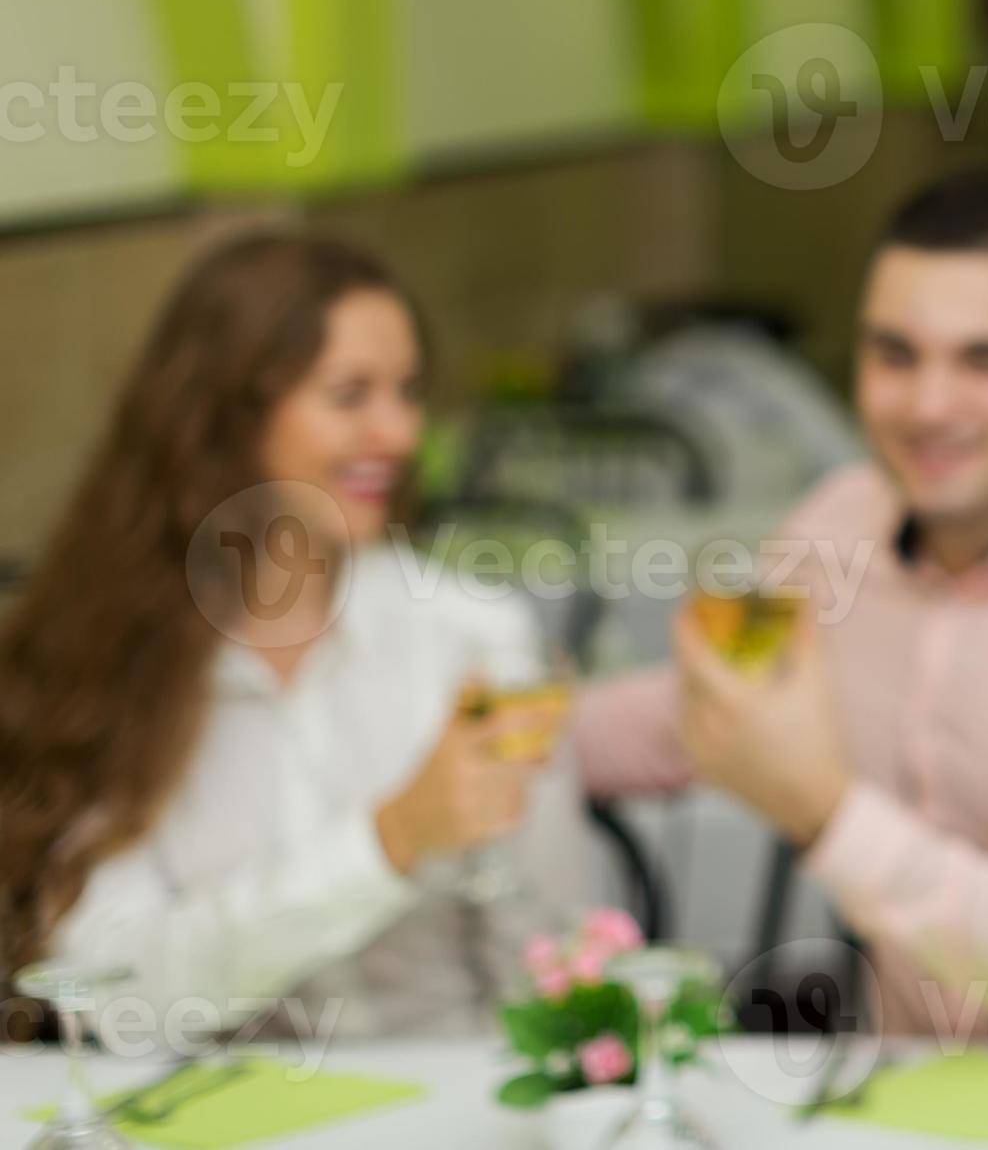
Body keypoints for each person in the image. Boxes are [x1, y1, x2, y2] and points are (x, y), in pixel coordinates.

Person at [574, 168, 988, 1043]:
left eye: (984, 360)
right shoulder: (837, 529)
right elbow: (700, 715)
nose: (928, 405)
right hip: (915, 1105)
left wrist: (828, 814)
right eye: (894, 354)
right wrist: (489, 728)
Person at [0, 233, 584, 1042]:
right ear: (227, 415)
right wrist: (388, 843)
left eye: (408, 392)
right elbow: (119, 1002)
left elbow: (557, 965)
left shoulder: (471, 635)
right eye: (350, 396)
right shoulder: (105, 656)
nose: (399, 434)